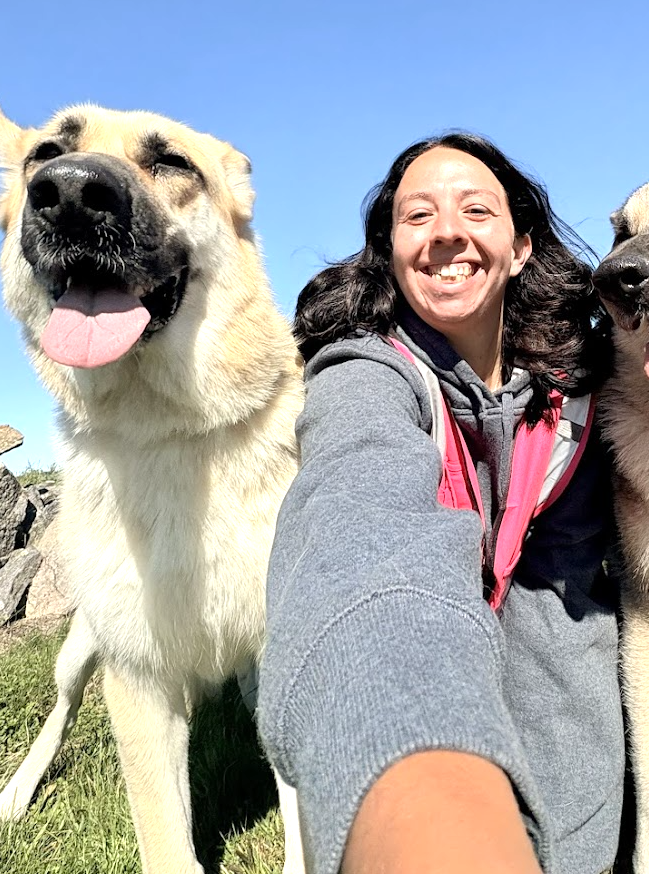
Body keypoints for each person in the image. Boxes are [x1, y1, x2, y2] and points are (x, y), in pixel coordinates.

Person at [257, 133, 624, 874]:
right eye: (417, 214)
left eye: (476, 210)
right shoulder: (363, 376)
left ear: (520, 246)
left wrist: (570, 841)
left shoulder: (573, 399)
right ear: (390, 248)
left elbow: (563, 622)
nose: (447, 231)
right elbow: (359, 543)